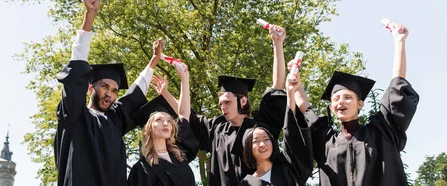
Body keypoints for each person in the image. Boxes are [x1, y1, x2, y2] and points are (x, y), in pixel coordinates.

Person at [290, 22, 419, 185]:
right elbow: (305, 109)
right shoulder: (327, 142)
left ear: (360, 104)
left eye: (348, 97)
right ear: (331, 108)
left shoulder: (381, 132)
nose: (341, 102)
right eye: (335, 99)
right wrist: (297, 85)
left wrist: (400, 41)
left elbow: (397, 87)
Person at [53, 0, 164, 185]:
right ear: (90, 88)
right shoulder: (74, 115)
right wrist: (90, 16)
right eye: (104, 87)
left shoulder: (114, 121)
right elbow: (77, 67)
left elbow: (134, 95)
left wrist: (154, 60)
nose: (109, 95)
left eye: (114, 91)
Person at [186, 24, 290, 186]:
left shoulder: (260, 127)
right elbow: (186, 115)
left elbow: (277, 87)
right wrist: (182, 80)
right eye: (221, 103)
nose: (223, 107)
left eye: (227, 102)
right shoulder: (216, 129)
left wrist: (277, 44)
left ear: (242, 101)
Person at [128, 63, 199, 186]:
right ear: (149, 128)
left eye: (169, 120)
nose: (165, 123)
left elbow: (184, 114)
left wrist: (184, 77)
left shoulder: (179, 156)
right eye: (159, 120)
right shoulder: (141, 169)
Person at [238, 71, 313, 186]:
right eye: (256, 141)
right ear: (248, 148)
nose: (262, 144)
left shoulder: (288, 168)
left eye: (266, 139)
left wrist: (290, 93)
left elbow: (292, 135)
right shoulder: (247, 184)